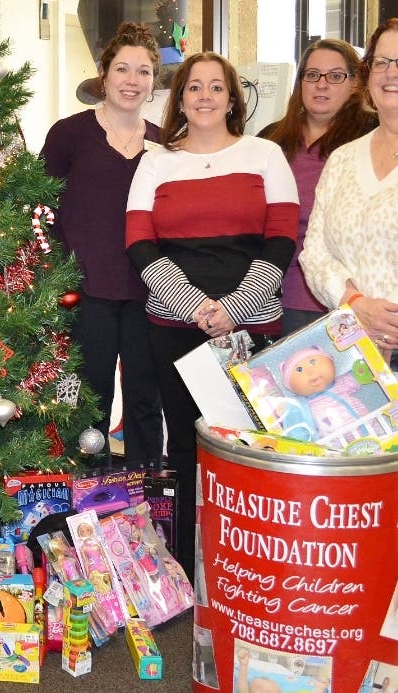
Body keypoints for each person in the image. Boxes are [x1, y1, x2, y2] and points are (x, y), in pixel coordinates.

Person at [125, 52, 299, 576]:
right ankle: (184, 559)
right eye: (193, 87)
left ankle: (241, 559)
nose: (204, 96)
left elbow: (283, 237)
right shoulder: (156, 160)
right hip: (175, 324)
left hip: (249, 326)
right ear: (179, 99)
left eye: (215, 87)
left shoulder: (265, 153)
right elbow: (138, 240)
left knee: (246, 444)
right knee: (182, 441)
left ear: (231, 98)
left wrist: (235, 309)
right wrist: (194, 305)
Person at [41, 22, 164, 470]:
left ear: (154, 82)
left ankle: (151, 495)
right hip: (85, 291)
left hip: (149, 293)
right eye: (123, 69)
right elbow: (39, 207)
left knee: (145, 402)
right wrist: (57, 273)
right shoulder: (69, 135)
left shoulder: (166, 143)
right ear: (104, 74)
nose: (132, 81)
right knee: (87, 401)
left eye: (144, 72)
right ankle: (86, 500)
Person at [259, 38, 377, 335]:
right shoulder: (270, 140)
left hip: (340, 299)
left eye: (335, 76)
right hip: (266, 296)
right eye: (312, 75)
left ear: (355, 83)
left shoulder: (371, 139)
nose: (321, 84)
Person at [301, 18, 398, 370]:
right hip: (349, 352)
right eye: (382, 62)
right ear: (368, 76)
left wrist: (387, 322)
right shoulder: (343, 159)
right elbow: (314, 252)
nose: (391, 73)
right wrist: (355, 302)